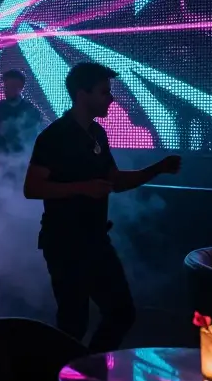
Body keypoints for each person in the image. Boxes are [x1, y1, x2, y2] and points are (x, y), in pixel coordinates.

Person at [24, 63, 181, 353]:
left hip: (96, 241)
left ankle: (87, 372)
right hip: (64, 243)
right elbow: (31, 188)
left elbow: (115, 181)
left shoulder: (97, 133)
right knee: (74, 323)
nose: (111, 99)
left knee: (121, 312)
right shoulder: (54, 136)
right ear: (82, 95)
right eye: (105, 92)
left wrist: (158, 168)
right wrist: (81, 187)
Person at [0, 69, 43, 156]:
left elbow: (37, 135)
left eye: (12, 86)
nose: (7, 90)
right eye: (6, 86)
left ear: (21, 87)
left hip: (23, 159)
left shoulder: (31, 110)